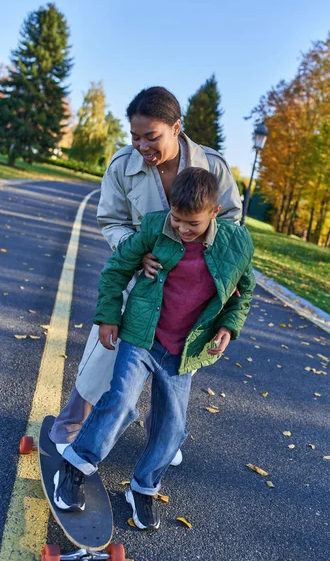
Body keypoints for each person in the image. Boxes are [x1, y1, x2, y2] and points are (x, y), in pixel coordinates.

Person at [53, 168, 255, 530]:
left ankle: (143, 488)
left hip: (185, 349)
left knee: (172, 427)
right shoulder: (155, 227)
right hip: (143, 335)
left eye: (192, 223)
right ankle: (75, 465)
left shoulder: (237, 243)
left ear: (215, 212)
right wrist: (108, 316)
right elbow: (117, 267)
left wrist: (228, 326)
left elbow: (245, 290)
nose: (182, 229)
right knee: (120, 401)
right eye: (177, 219)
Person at [49, 87, 243, 464]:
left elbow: (232, 221)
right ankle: (71, 426)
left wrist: (221, 273)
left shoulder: (213, 165)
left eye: (151, 136)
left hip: (190, 289)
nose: (141, 145)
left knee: (174, 365)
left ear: (176, 127)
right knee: (104, 354)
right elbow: (111, 220)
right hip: (142, 280)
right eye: (135, 136)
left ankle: (160, 438)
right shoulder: (122, 166)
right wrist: (138, 254)